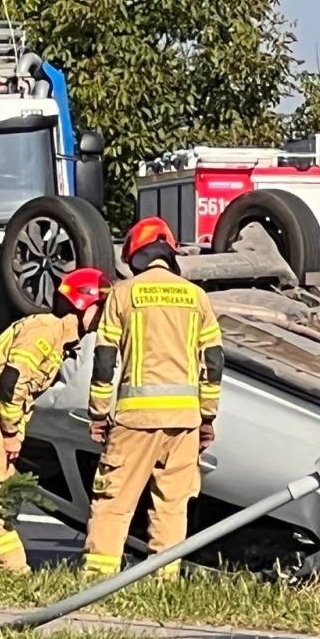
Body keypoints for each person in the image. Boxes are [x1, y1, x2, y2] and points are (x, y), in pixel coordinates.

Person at [83, 217, 222, 581]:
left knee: (114, 502)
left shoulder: (123, 294)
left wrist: (98, 412)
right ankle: (165, 581)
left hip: (134, 420)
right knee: (172, 506)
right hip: (185, 423)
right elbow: (213, 362)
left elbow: (104, 360)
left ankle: (98, 582)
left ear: (134, 256)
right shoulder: (196, 297)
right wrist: (207, 416)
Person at [0, 267, 111, 574]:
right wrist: (11, 432)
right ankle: (10, 571)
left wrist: (15, 431)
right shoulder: (46, 330)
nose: (104, 317)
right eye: (101, 307)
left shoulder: (62, 338)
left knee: (8, 490)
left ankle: (8, 566)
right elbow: (11, 382)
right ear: (84, 305)